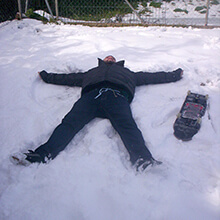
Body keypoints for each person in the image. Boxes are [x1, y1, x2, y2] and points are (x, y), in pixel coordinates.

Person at [23, 55, 183, 171]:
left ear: (117, 62)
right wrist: (46, 76)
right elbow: (68, 78)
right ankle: (43, 154)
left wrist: (174, 75)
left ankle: (143, 160)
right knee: (69, 123)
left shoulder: (128, 73)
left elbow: (152, 77)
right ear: (102, 61)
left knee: (128, 127)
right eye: (108, 58)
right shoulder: (91, 72)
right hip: (91, 97)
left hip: (117, 96)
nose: (110, 59)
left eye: (113, 58)